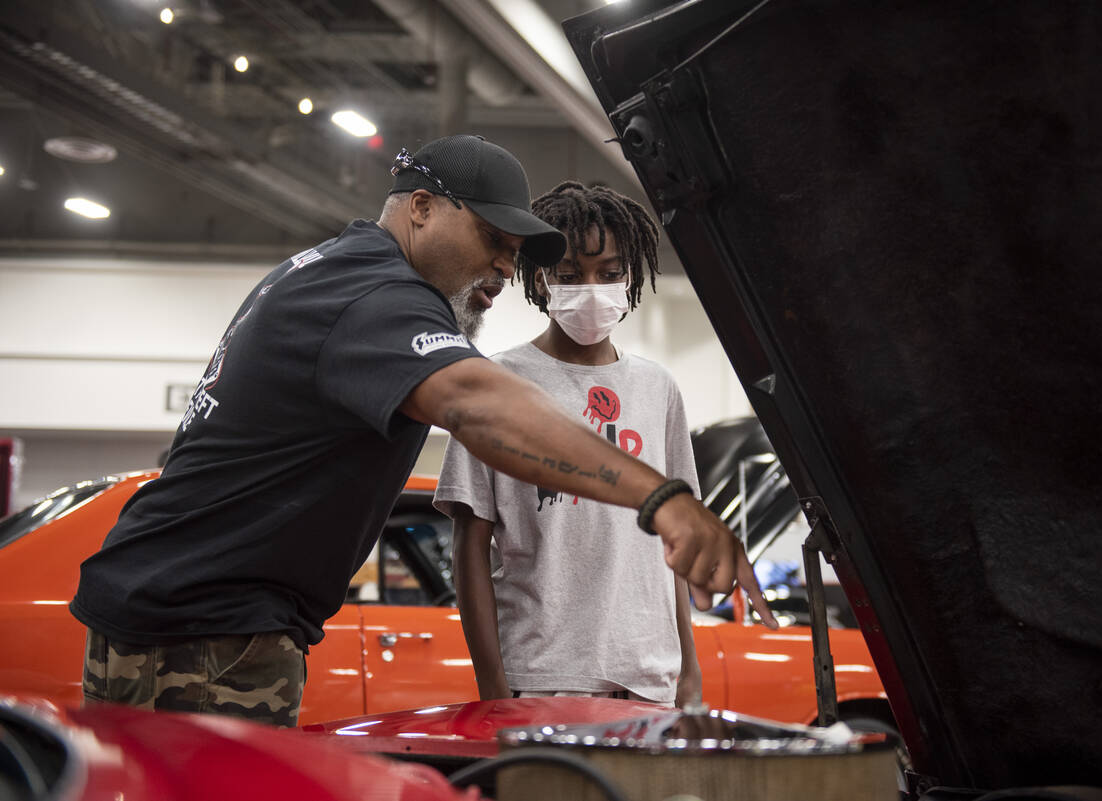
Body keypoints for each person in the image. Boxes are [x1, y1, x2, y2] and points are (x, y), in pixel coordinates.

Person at [69, 135, 773, 727]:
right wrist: (661, 498)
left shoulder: (333, 271)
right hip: (206, 625)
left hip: (185, 609)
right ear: (422, 208)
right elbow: (474, 400)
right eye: (493, 240)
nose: (504, 266)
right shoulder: (377, 295)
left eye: (513, 250)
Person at [435, 181, 748, 707]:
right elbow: (470, 545)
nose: (591, 288)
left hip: (649, 676)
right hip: (542, 673)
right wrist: (493, 685)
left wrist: (687, 670)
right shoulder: (494, 382)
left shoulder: (657, 388)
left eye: (609, 273)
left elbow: (670, 544)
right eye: (569, 275)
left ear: (631, 278)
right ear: (541, 279)